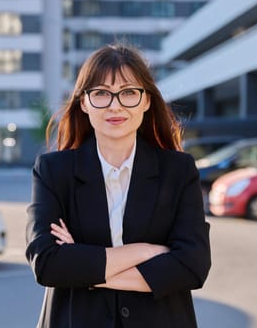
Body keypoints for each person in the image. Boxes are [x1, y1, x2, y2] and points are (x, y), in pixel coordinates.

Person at [25, 43, 211, 328]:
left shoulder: (178, 170)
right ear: (84, 102)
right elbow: (48, 264)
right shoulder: (53, 170)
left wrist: (83, 268)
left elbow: (192, 266)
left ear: (146, 100)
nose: (115, 105)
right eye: (101, 93)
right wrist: (148, 251)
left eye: (128, 93)